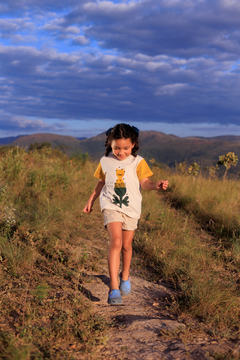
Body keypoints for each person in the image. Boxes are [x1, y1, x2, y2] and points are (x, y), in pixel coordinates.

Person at [83, 123, 168, 305]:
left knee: (127, 246)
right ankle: (114, 287)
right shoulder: (105, 161)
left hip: (131, 208)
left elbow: (144, 183)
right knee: (116, 241)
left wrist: (156, 185)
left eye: (126, 148)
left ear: (134, 145)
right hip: (110, 205)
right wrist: (91, 199)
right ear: (110, 144)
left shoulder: (138, 162)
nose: (121, 153)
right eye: (116, 148)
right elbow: (101, 182)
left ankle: (125, 275)